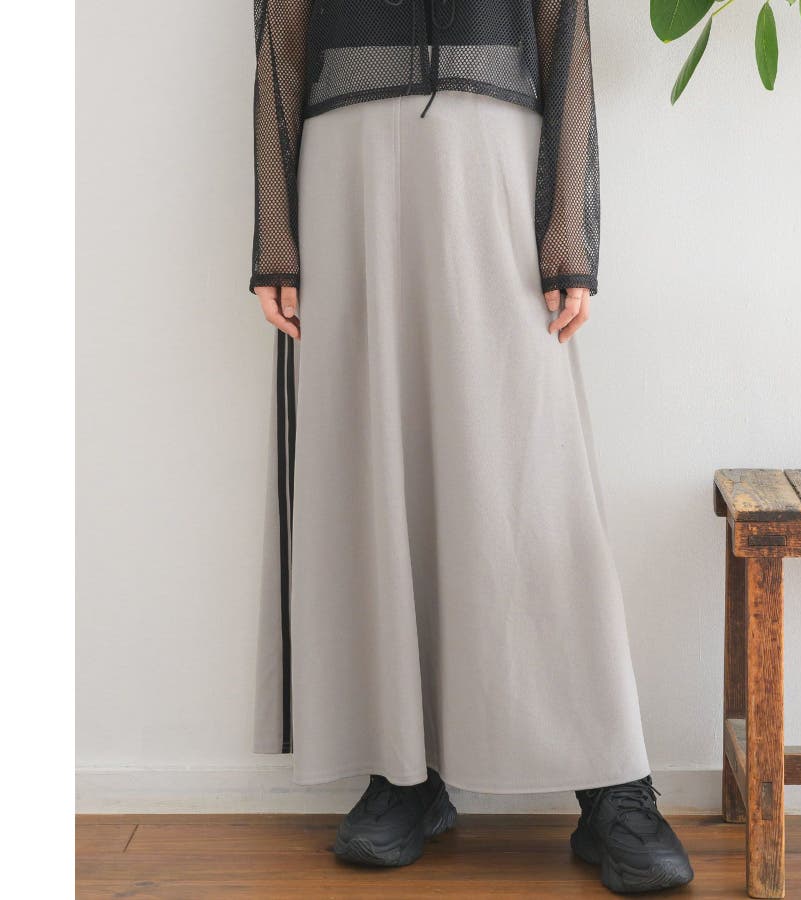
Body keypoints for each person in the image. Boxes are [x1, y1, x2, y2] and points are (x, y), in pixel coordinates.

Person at [250, 1, 693, 893]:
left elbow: (565, 35)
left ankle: (612, 782)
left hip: (495, 155)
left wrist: (568, 234)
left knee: (529, 477)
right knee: (371, 471)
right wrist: (276, 241)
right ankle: (402, 771)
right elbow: (282, 43)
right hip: (343, 170)